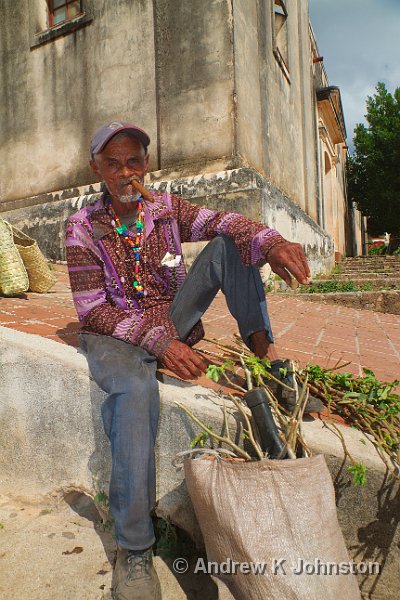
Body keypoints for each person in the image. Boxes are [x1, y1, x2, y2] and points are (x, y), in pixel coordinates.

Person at [66, 121, 314, 600]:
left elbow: (223, 222)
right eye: (112, 164)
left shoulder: (164, 208)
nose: (124, 173)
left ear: (146, 166)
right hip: (115, 335)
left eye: (133, 162)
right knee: (136, 394)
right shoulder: (82, 227)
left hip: (168, 325)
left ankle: (271, 363)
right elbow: (92, 310)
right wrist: (159, 345)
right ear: (96, 168)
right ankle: (134, 550)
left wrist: (269, 241)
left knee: (230, 247)